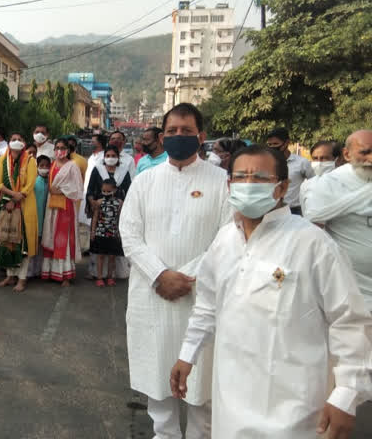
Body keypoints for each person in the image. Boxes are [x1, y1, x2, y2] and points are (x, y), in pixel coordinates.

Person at [171, 144, 372, 438]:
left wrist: (346, 394)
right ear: (229, 185)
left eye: (260, 178)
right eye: (241, 177)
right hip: (231, 395)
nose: (248, 184)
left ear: (281, 187)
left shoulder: (312, 244)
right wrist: (187, 355)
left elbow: (350, 322)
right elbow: (207, 306)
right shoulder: (225, 240)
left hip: (294, 408)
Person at [120, 103, 231, 439]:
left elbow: (228, 238)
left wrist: (186, 277)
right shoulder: (144, 180)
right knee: (156, 373)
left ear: (202, 136)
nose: (178, 137)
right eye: (171, 131)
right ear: (162, 135)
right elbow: (130, 233)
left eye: (186, 131)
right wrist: (159, 274)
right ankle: (165, 435)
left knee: (202, 383)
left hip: (201, 295)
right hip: (151, 292)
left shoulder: (222, 180)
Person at [303, 129, 372, 311]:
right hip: (351, 291)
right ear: (347, 154)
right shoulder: (330, 184)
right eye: (365, 152)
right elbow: (313, 236)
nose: (371, 158)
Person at [0, 133, 39, 292]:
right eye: (13, 139)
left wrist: (16, 198)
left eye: (20, 139)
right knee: (8, 239)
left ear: (24, 143)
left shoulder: (31, 160)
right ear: (8, 142)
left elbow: (30, 184)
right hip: (7, 203)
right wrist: (11, 196)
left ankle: (22, 279)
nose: (16, 142)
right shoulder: (3, 159)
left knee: (23, 242)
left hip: (25, 204)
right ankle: (9, 276)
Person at [41, 139, 84, 286]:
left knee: (63, 239)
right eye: (57, 148)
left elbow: (78, 189)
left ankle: (65, 275)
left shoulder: (72, 166)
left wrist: (60, 191)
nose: (59, 150)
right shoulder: (52, 165)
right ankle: (51, 272)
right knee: (51, 236)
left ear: (68, 150)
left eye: (63, 147)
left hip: (65, 206)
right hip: (51, 205)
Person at [86, 144, 132, 280]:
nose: (110, 158)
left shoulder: (124, 171)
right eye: (108, 156)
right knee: (99, 246)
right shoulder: (97, 169)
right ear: (104, 157)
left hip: (117, 213)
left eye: (113, 156)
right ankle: (97, 273)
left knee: (115, 245)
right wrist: (92, 202)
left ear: (118, 158)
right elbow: (90, 189)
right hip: (100, 213)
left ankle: (114, 274)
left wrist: (124, 205)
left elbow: (129, 191)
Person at [265, 127, 313, 215]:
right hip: (271, 210)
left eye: (275, 144)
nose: (272, 147)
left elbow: (313, 183)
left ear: (286, 143)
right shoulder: (265, 163)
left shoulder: (302, 162)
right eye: (269, 144)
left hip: (295, 210)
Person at [90, 178, 126, 287]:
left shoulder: (119, 203)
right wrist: (93, 231)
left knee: (112, 257)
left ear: (114, 190)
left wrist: (120, 232)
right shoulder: (99, 202)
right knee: (100, 256)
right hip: (100, 232)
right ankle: (100, 277)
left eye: (108, 191)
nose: (106, 193)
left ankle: (110, 276)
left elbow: (120, 218)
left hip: (113, 232)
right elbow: (95, 217)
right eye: (103, 191)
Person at [79, 134, 107, 254]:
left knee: (94, 222)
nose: (90, 143)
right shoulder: (91, 157)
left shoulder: (103, 157)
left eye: (93, 142)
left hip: (96, 194)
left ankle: (93, 246)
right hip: (86, 192)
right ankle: (86, 246)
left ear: (100, 143)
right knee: (85, 221)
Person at [28, 155, 51, 278]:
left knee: (41, 245)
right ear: (37, 167)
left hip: (45, 218)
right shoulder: (34, 182)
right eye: (42, 166)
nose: (45, 168)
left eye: (47, 166)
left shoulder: (50, 182)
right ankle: (30, 271)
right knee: (33, 244)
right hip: (35, 218)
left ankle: (38, 270)